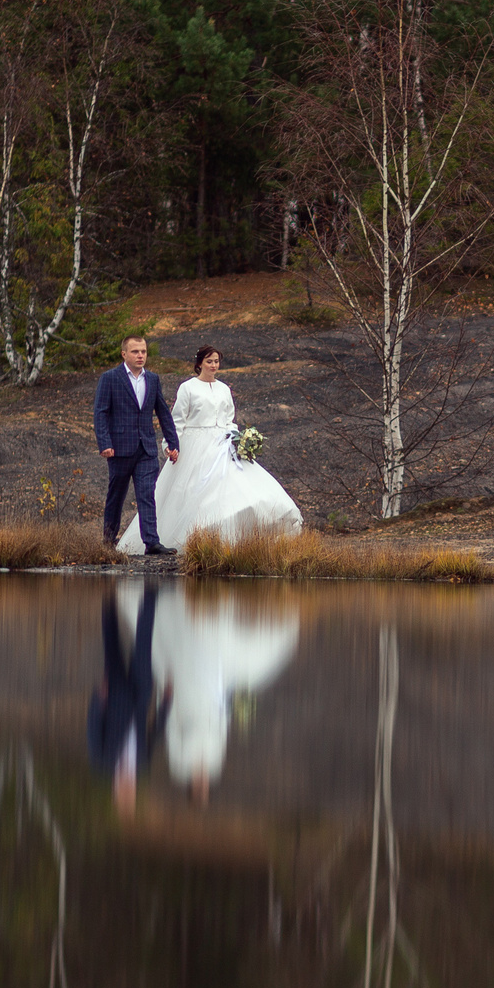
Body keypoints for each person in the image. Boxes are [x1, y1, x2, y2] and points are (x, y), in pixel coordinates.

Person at [148, 593, 298, 804]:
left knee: (195, 654)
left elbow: (171, 729)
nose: (203, 784)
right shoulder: (214, 764)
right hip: (213, 703)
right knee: (215, 661)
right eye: (205, 788)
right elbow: (221, 733)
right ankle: (211, 612)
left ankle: (194, 612)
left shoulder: (179, 763)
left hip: (187, 697)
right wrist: (227, 709)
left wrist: (166, 700)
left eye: (200, 788)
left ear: (193, 788)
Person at [152, 346, 305, 544]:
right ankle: (192, 536)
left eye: (216, 361)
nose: (213, 365)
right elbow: (177, 420)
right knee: (194, 491)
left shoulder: (224, 388)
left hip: (223, 444)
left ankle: (236, 535)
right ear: (199, 364)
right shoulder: (188, 387)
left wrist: (236, 439)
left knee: (236, 487)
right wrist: (170, 445)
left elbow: (229, 418)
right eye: (209, 361)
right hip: (195, 444)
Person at [85, 579, 170, 812]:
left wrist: (98, 698)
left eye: (122, 792)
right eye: (129, 792)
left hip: (114, 695)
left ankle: (107, 596)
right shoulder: (142, 765)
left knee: (111, 640)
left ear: (115, 788)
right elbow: (154, 734)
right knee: (144, 642)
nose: (126, 788)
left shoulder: (101, 761)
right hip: (142, 693)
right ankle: (151, 593)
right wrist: (166, 704)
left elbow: (93, 728)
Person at [95, 335, 182, 555]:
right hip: (119, 449)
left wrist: (173, 442)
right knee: (116, 496)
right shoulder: (110, 378)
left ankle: (151, 542)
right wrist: (104, 443)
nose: (140, 355)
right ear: (124, 354)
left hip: (146, 449)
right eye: (135, 351)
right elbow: (101, 413)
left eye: (143, 351)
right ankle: (108, 541)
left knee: (146, 494)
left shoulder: (152, 379)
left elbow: (162, 411)